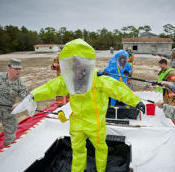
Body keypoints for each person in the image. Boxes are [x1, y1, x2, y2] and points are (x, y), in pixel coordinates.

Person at [14, 39, 145, 172]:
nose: (77, 70)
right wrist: (33, 95)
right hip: (76, 121)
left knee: (100, 148)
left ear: (86, 65)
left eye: (80, 66)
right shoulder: (68, 80)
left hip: (95, 123)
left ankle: (101, 170)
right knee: (77, 149)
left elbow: (118, 89)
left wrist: (136, 101)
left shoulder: (98, 80)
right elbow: (50, 87)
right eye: (74, 66)